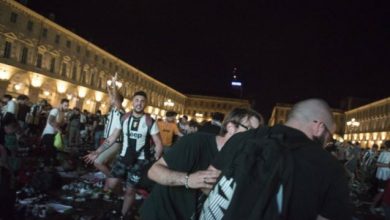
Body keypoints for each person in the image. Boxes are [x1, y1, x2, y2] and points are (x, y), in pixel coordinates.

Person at [200, 99, 352, 220]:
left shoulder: (242, 138)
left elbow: (207, 182)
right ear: (319, 127)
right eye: (329, 135)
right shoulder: (330, 167)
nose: (327, 142)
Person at [140, 108, 263, 220]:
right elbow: (153, 172)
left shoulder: (242, 161)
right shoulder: (195, 142)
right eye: (250, 130)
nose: (254, 138)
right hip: (160, 214)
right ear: (231, 127)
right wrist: (188, 179)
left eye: (258, 134)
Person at [88, 90, 163, 218]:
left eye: (142, 101)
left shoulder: (150, 121)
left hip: (140, 160)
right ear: (133, 102)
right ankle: (123, 196)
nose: (139, 103)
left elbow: (158, 143)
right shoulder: (124, 118)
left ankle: (123, 214)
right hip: (123, 157)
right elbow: (112, 138)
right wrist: (98, 151)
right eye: (137, 100)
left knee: (131, 189)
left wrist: (156, 157)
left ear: (145, 103)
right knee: (111, 184)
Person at [84, 77, 125, 178]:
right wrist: (108, 87)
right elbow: (112, 95)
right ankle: (110, 178)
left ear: (117, 100)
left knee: (97, 162)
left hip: (116, 142)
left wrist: (114, 84)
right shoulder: (113, 110)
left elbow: (115, 97)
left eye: (113, 98)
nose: (110, 99)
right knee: (107, 162)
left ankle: (111, 179)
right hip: (109, 140)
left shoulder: (120, 110)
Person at [41, 98, 69, 165]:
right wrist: (58, 129)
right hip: (49, 133)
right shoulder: (55, 110)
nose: (66, 107)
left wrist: (65, 122)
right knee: (49, 151)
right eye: (65, 105)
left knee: (53, 150)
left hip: (55, 134)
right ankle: (46, 165)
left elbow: (60, 124)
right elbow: (50, 121)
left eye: (67, 105)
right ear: (61, 104)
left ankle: (51, 164)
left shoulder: (62, 113)